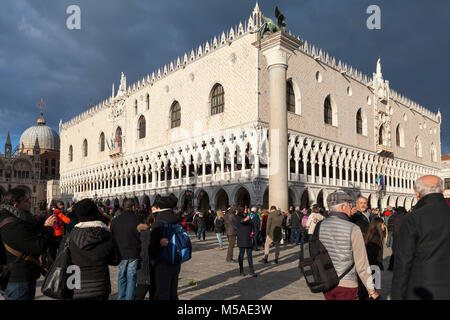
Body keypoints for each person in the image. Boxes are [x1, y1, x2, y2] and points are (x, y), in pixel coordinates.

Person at [392, 176, 450, 300]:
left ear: (417, 193)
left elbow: (403, 262)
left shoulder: (413, 218)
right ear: (443, 190)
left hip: (422, 290)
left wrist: (397, 295)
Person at [319, 191, 379, 300]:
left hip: (326, 280)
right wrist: (371, 289)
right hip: (346, 283)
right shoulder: (353, 228)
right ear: (342, 206)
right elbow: (362, 264)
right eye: (349, 205)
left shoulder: (320, 226)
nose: (351, 208)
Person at [0, 189, 56, 300]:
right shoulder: (12, 224)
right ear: (16, 205)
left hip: (18, 276)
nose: (30, 202)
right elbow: (38, 245)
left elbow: (28, 233)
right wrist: (48, 227)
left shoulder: (17, 217)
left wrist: (43, 220)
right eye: (26, 201)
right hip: (18, 278)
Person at [63, 199, 121, 300]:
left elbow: (64, 260)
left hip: (76, 285)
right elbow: (115, 260)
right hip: (99, 285)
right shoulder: (106, 234)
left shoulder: (70, 237)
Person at [148, 194, 181, 300]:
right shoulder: (176, 220)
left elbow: (151, 248)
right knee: (173, 292)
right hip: (175, 261)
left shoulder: (158, 223)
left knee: (162, 292)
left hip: (162, 263)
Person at [110, 199, 143, 300]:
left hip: (121, 253)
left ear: (123, 207)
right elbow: (142, 237)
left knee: (121, 276)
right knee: (131, 277)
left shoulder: (115, 221)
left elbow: (112, 237)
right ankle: (129, 298)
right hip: (134, 252)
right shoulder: (138, 220)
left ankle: (121, 297)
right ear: (133, 207)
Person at [136, 213, 155, 300]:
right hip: (146, 266)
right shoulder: (146, 234)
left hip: (144, 265)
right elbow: (144, 253)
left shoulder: (141, 233)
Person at [236, 207, 257, 277]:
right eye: (244, 209)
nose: (246, 210)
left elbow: (252, 225)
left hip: (248, 239)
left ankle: (251, 270)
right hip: (241, 239)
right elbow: (242, 221)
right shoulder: (238, 217)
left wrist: (253, 232)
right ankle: (241, 270)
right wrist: (247, 218)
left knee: (250, 256)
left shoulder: (249, 216)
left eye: (247, 208)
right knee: (241, 255)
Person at [387, 206, 408, 271]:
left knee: (394, 251)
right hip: (403, 236)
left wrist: (392, 231)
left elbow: (389, 226)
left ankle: (391, 266)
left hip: (395, 235)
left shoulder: (393, 216)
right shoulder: (406, 217)